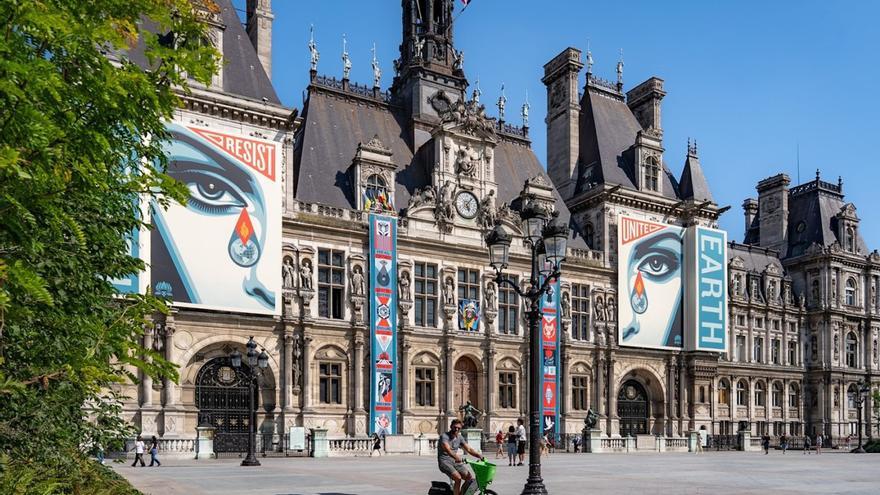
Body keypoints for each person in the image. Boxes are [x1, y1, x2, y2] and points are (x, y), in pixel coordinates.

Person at [438, 419, 484, 495]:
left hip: (455, 462)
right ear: (451, 426)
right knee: (458, 478)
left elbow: (469, 449)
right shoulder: (444, 436)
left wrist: (479, 455)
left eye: (459, 428)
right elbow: (448, 450)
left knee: (469, 478)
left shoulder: (459, 437)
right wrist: (457, 457)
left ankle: (462, 493)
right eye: (455, 427)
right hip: (444, 461)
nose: (456, 429)